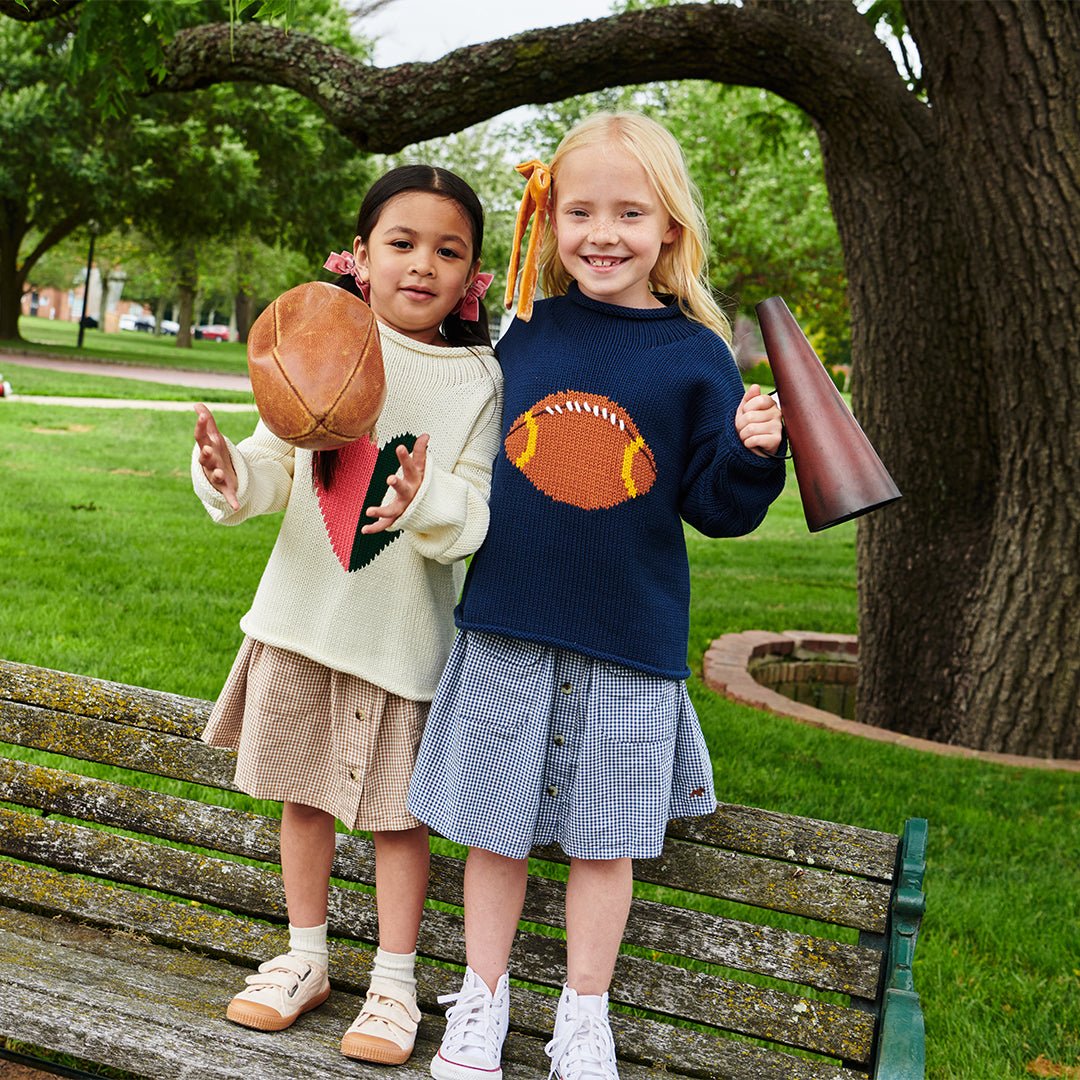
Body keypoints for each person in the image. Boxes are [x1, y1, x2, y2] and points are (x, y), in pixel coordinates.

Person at [408, 113, 786, 1080]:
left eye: (629, 212)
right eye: (580, 211)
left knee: (601, 845)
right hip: (508, 626)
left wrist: (748, 454)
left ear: (671, 228)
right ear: (550, 216)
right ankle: (482, 1005)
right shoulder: (525, 333)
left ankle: (584, 1018)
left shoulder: (698, 355)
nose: (602, 233)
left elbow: (715, 508)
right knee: (493, 836)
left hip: (629, 638)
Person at [191, 165, 502, 1066]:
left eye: (448, 251)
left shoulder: (480, 378)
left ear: (473, 275)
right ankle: (307, 957)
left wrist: (423, 497)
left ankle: (396, 982)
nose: (422, 264)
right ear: (359, 255)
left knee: (398, 821)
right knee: (304, 798)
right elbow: (274, 464)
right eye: (400, 243)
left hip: (402, 647)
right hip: (301, 622)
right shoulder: (323, 332)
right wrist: (227, 477)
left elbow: (473, 516)